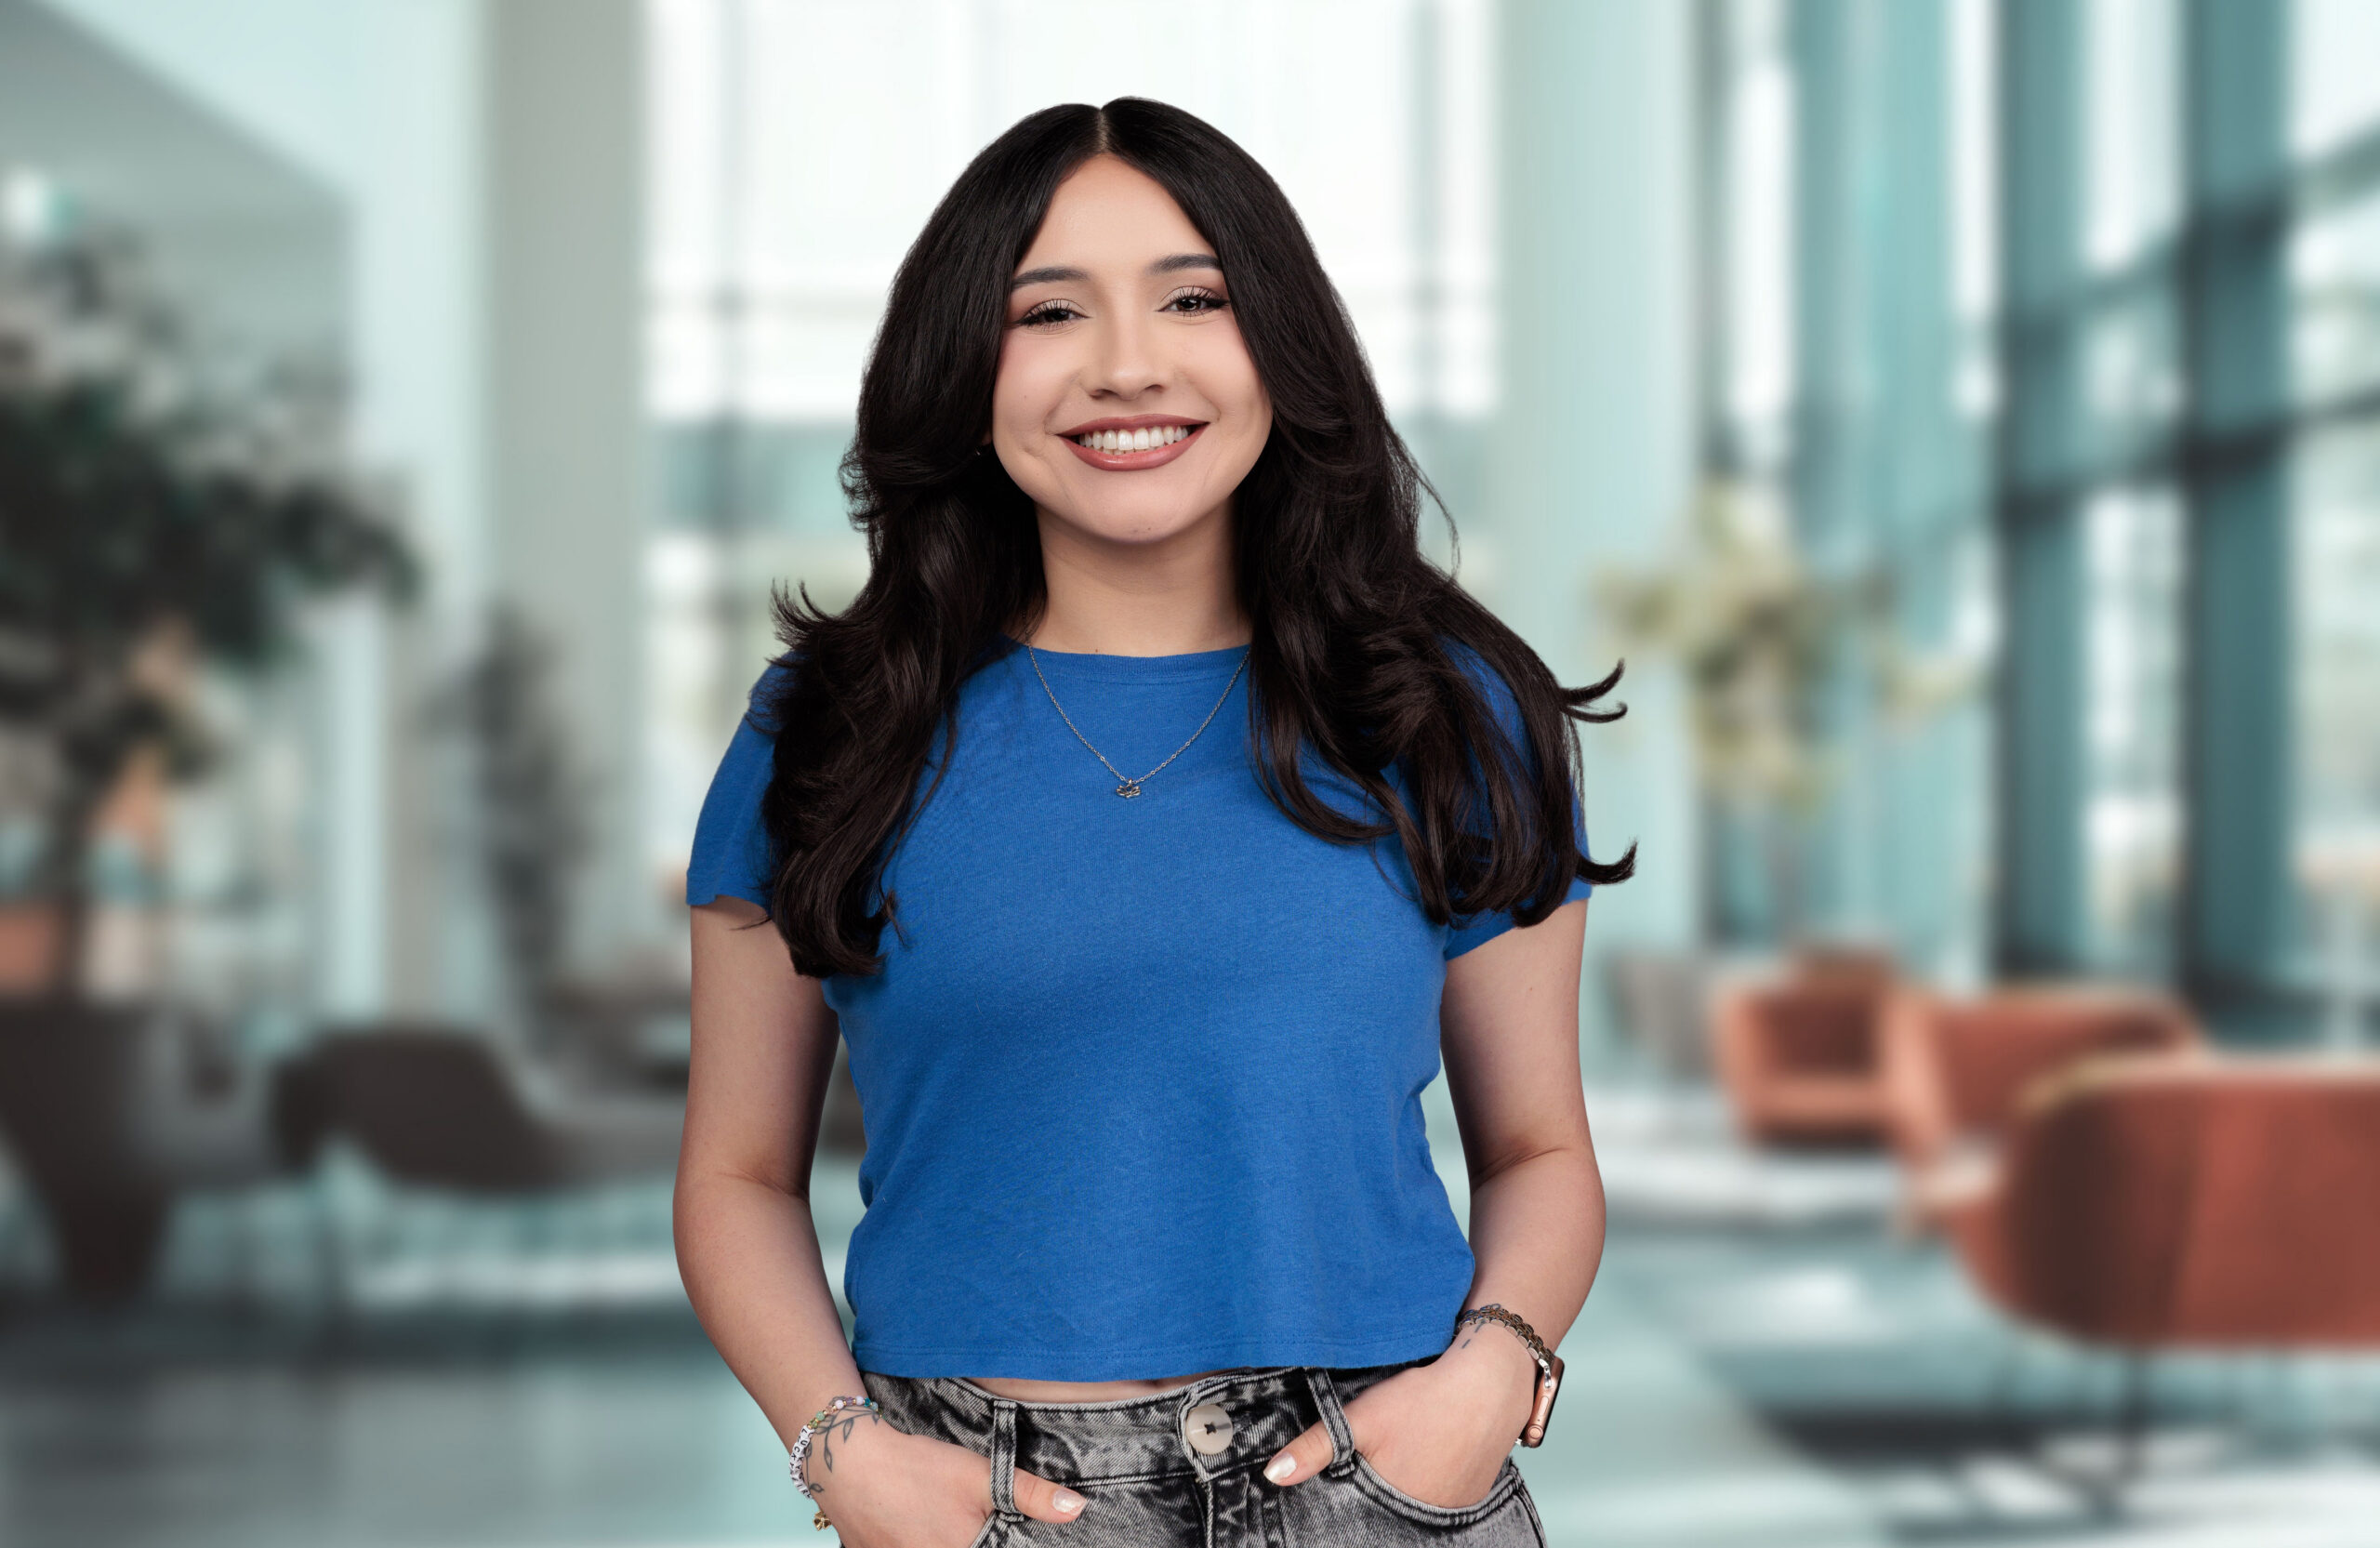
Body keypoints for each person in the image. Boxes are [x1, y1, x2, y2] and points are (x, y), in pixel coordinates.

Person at [674, 97, 1633, 1548]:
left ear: (1282, 348)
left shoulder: (1451, 709)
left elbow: (1540, 1151)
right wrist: (843, 1453)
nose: (1129, 364)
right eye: (1047, 311)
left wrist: (1491, 1376)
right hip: (979, 1499)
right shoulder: (827, 725)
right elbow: (737, 1174)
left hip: (1376, 1484)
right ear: (967, 372)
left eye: (1196, 296)